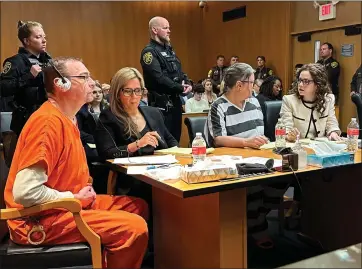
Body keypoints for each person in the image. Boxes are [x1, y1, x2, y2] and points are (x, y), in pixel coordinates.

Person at [4, 57, 149, 268]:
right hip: (38, 220)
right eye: (83, 77)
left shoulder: (67, 118)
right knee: (133, 227)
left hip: (64, 206)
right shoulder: (47, 123)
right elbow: (25, 193)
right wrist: (73, 197)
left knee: (137, 206)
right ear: (60, 85)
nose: (92, 82)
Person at [204, 63, 285, 249]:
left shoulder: (255, 102)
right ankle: (258, 227)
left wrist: (260, 141)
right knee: (254, 183)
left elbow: (258, 131)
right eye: (251, 82)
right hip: (232, 161)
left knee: (284, 177)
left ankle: (254, 218)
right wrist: (246, 143)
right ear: (239, 85)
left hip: (257, 157)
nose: (255, 85)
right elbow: (218, 139)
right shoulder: (219, 106)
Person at [95, 67, 178, 160]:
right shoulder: (108, 117)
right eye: (127, 91)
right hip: (129, 172)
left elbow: (171, 141)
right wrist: (137, 144)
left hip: (161, 168)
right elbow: (106, 153)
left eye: (137, 90)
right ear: (117, 93)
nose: (134, 96)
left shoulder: (154, 113)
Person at [140, 16, 192, 143]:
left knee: (175, 139)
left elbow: (179, 71)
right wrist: (180, 87)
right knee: (163, 142)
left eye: (169, 28)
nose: (169, 31)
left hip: (175, 102)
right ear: (155, 30)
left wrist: (188, 82)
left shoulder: (169, 50)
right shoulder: (149, 52)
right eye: (165, 28)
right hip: (160, 104)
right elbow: (159, 78)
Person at [0, 21, 51, 135]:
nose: (44, 40)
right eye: (38, 37)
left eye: (44, 37)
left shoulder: (49, 61)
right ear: (26, 41)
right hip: (26, 119)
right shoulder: (15, 62)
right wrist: (28, 77)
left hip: (48, 115)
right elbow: (3, 88)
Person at [280, 63, 341, 142]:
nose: (301, 85)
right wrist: (289, 135)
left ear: (318, 84)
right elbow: (285, 127)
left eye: (306, 81)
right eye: (300, 80)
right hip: (298, 146)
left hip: (320, 147)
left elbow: (331, 122)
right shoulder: (289, 101)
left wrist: (333, 132)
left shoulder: (328, 99)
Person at [76, 80, 109, 162]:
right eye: (94, 92)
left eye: (100, 92)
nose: (98, 95)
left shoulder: (108, 109)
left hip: (106, 143)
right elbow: (78, 131)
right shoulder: (81, 111)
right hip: (89, 143)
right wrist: (94, 138)